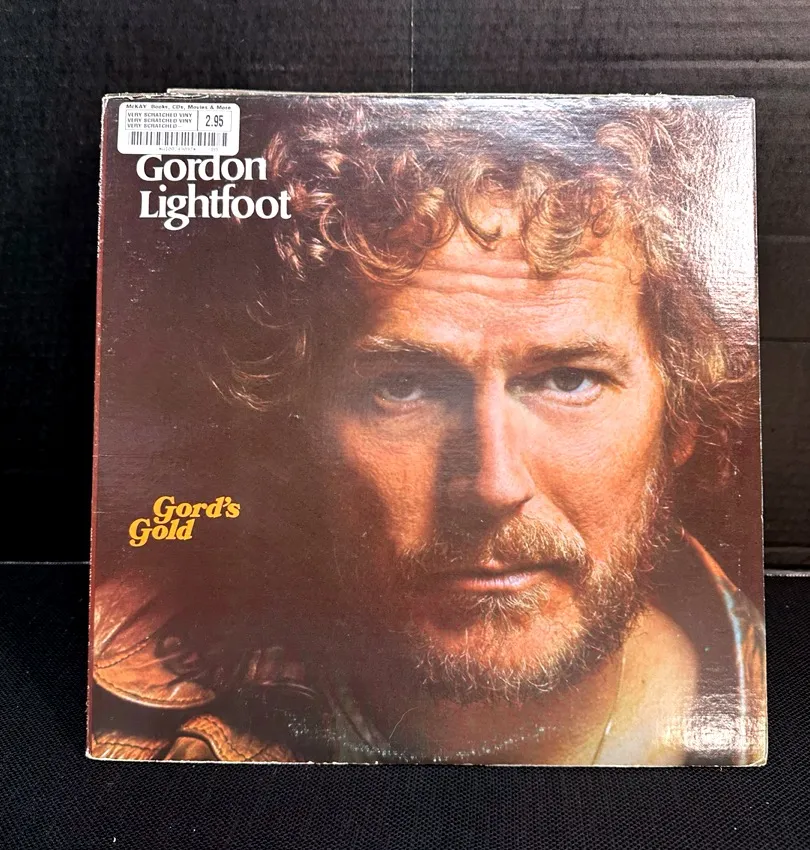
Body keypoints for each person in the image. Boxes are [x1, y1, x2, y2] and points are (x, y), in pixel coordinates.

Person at [90, 98, 766, 765]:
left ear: (680, 415)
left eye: (568, 380)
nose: (493, 485)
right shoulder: (144, 746)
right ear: (301, 425)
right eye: (403, 387)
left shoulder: (769, 729)